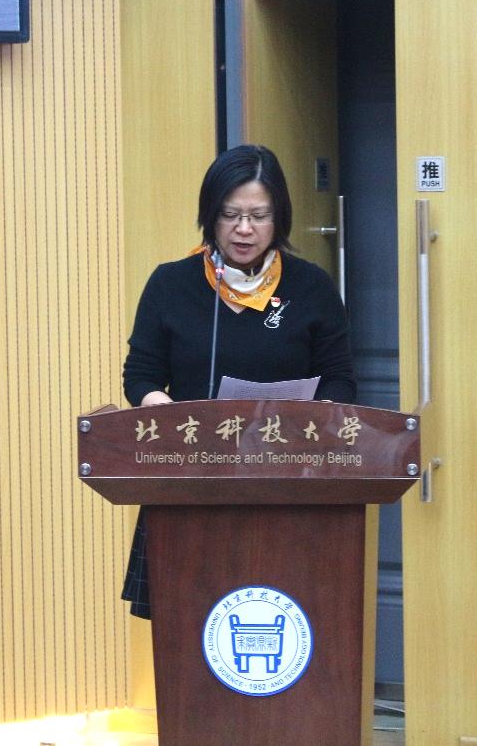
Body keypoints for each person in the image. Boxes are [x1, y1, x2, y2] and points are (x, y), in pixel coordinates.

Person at [120, 144, 356, 618]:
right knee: (191, 623)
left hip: (287, 481)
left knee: (282, 618)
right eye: (230, 215)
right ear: (210, 215)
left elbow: (339, 380)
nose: (244, 229)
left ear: (279, 218)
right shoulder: (171, 284)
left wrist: (314, 417)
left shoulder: (311, 287)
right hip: (192, 477)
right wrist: (159, 404)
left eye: (258, 216)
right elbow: (141, 374)